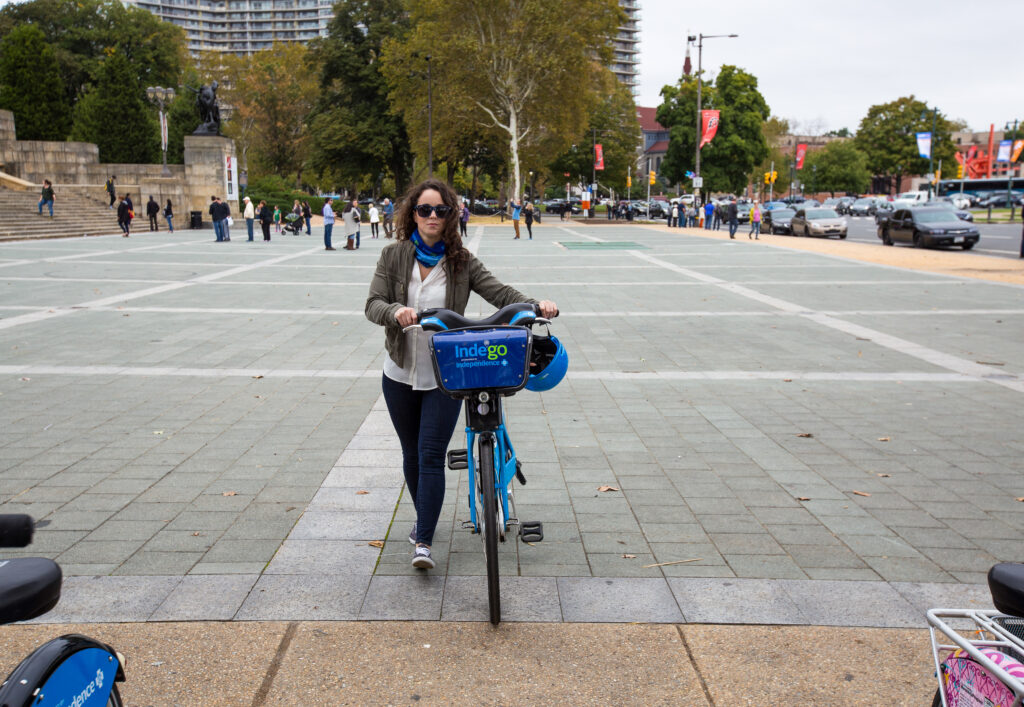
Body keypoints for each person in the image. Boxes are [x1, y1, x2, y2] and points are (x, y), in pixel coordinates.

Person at [364, 178, 558, 570]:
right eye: (424, 210)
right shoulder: (393, 255)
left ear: (452, 216)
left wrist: (536, 305)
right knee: (411, 453)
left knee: (430, 454)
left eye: (441, 210)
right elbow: (373, 303)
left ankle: (424, 541)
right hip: (400, 371)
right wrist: (395, 312)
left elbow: (500, 293)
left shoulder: (462, 261)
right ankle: (424, 519)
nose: (432, 216)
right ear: (413, 214)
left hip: (444, 374)